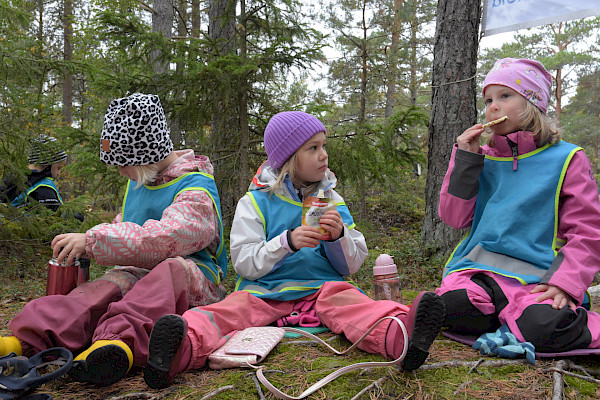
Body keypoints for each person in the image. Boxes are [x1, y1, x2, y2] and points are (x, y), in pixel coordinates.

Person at [143, 111, 446, 389]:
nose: (324, 155)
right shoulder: (255, 202)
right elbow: (245, 264)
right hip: (264, 293)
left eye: (323, 146)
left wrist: (338, 236)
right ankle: (179, 348)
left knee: (357, 306)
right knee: (223, 314)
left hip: (322, 290)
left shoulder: (333, 200)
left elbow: (352, 265)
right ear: (289, 157)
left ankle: (403, 336)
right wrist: (286, 242)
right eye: (312, 148)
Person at [0, 93, 228, 386]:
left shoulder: (195, 186)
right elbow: (129, 227)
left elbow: (170, 237)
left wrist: (95, 240)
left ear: (146, 154)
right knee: (102, 289)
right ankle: (27, 338)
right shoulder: (140, 180)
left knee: (169, 271)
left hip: (193, 277)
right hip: (139, 273)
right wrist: (99, 238)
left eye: (124, 162)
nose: (120, 171)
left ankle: (116, 345)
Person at [436, 58, 600, 353]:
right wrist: (465, 161)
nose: (492, 107)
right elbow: (454, 217)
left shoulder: (567, 159)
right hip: (478, 275)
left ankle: (528, 322)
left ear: (532, 103)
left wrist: (565, 283)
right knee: (451, 305)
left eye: (505, 96)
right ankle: (507, 322)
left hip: (539, 281)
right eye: (488, 100)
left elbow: (588, 232)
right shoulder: (480, 158)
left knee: (543, 326)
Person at [1, 134, 68, 212]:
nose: (58, 173)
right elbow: (54, 218)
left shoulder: (12, 177)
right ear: (46, 163)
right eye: (58, 168)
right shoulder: (44, 188)